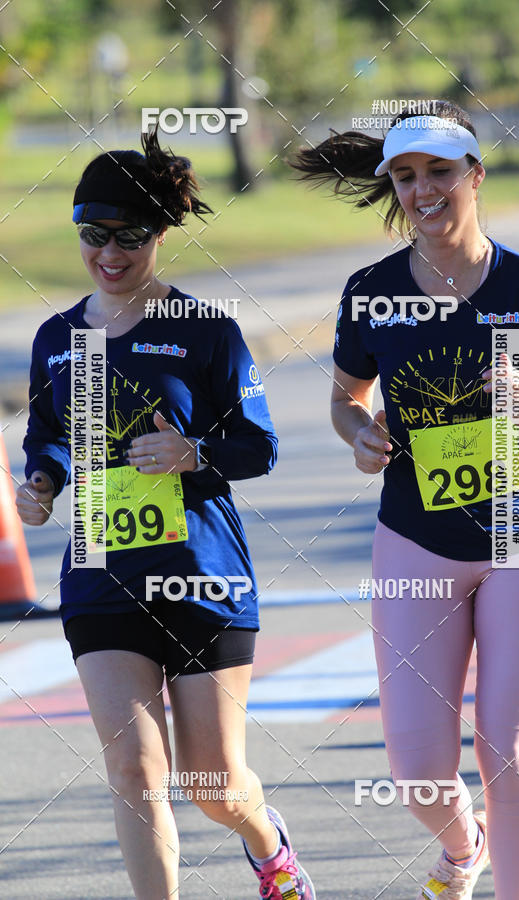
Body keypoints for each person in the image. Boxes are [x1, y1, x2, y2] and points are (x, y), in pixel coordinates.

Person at [291, 100, 519, 899]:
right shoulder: (372, 293)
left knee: (507, 748)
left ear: (475, 175)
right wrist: (359, 433)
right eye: (405, 176)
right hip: (415, 540)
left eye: (439, 172)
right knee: (419, 771)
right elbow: (346, 398)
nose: (423, 191)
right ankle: (465, 848)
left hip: (518, 537)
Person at [16, 131, 315, 900]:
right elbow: (47, 439)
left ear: (160, 234)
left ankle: (268, 844)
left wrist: (192, 455)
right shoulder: (57, 340)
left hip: (203, 582)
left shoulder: (207, 332)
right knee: (133, 769)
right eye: (93, 235)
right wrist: (41, 485)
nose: (109, 254)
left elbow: (259, 447)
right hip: (102, 580)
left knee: (212, 784)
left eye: (130, 237)